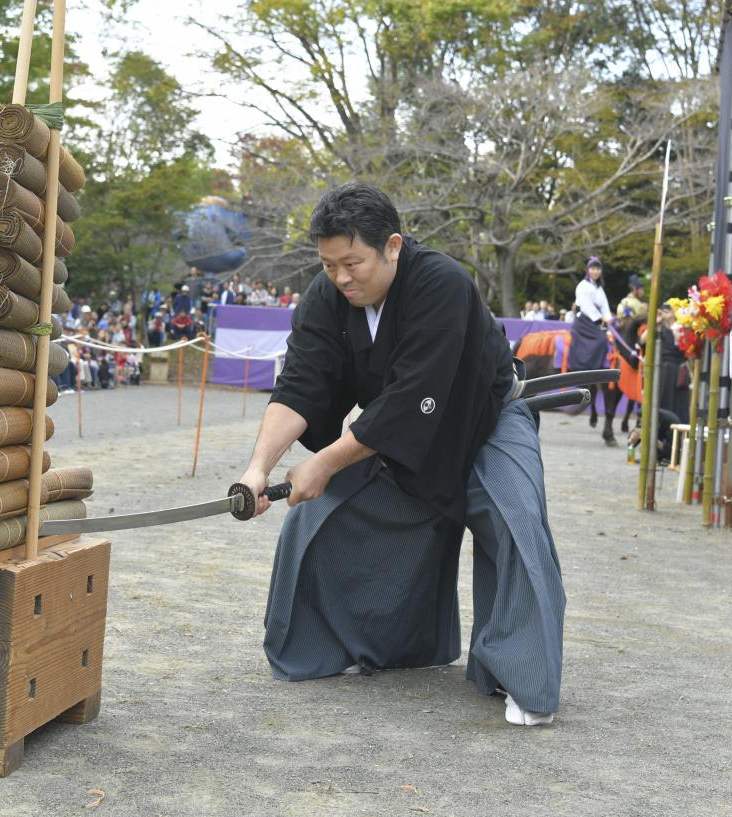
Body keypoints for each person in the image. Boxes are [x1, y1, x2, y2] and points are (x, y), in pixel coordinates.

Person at [236, 182, 565, 727]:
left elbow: (413, 399)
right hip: (394, 433)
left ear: (392, 246)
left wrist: (321, 462)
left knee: (516, 517)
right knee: (320, 515)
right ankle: (382, 643)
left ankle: (523, 676)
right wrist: (257, 469)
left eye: (352, 262)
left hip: (484, 419)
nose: (341, 277)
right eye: (329, 265)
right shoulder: (327, 296)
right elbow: (299, 387)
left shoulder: (442, 283)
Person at [568, 255, 612, 373]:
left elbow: (605, 306)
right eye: (593, 269)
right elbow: (587, 307)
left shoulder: (599, 288)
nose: (595, 271)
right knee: (602, 338)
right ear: (588, 270)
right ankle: (590, 369)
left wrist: (610, 320)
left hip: (596, 320)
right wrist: (600, 319)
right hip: (584, 321)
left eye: (598, 269)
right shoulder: (583, 285)